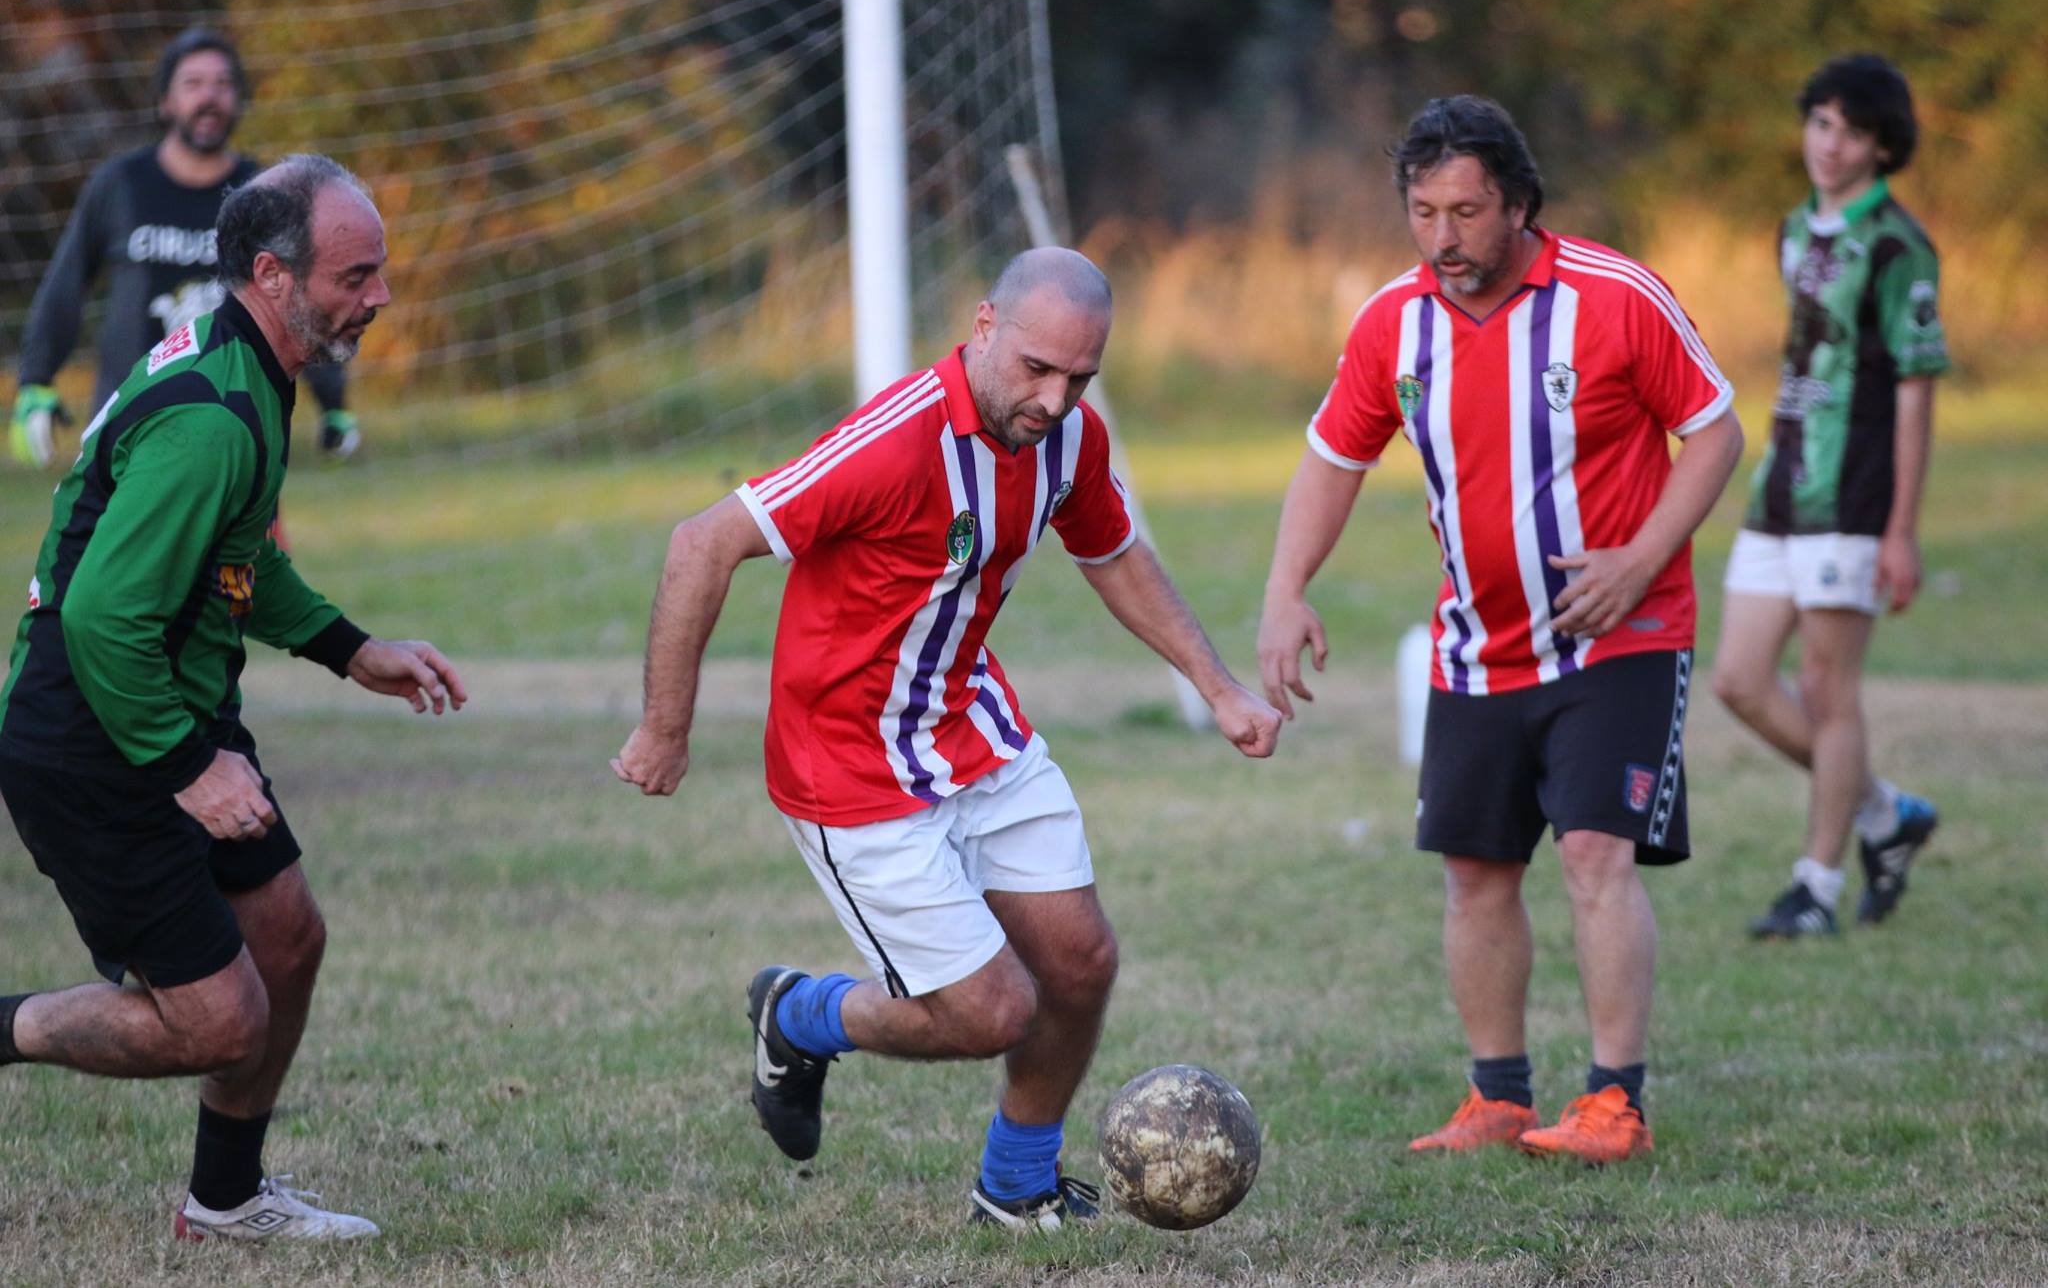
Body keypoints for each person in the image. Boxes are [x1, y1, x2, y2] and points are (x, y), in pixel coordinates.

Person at [611, 247, 1281, 1229]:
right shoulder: (894, 443)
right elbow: (701, 542)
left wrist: (1218, 688)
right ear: (981, 328)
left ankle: (1016, 1188)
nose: (1054, 399)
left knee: (1081, 963)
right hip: (847, 766)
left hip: (973, 732)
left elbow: (1114, 555)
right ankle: (798, 1015)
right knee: (989, 1013)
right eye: (1036, 369)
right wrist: (664, 729)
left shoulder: (1067, 442)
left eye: (1079, 377)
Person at [1258, 96, 1743, 1163]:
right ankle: (1498, 1099)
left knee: (1589, 854)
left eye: (1466, 211)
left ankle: (1614, 1102)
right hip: (1474, 646)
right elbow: (1332, 460)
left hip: (1618, 634)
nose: (1443, 237)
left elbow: (1712, 433)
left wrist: (1639, 558)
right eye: (1423, 211)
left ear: (1518, 204)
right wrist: (1284, 589)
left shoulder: (1614, 298)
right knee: (1474, 871)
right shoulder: (1393, 322)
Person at [0, 154, 465, 1241]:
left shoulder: (249, 365)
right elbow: (102, 616)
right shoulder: (214, 413)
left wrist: (353, 650)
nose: (380, 296)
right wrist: (184, 769)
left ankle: (225, 1201)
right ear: (274, 273)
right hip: (96, 733)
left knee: (289, 938)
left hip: (166, 705)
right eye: (357, 274)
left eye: (379, 270)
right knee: (215, 1023)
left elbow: (238, 555)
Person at [1710, 54, 1946, 939]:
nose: (1829, 144)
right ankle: (1884, 814)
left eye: (1850, 131)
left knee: (1825, 684)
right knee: (1737, 677)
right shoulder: (1791, 231)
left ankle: (1815, 884)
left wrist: (1902, 530)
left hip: (1854, 494)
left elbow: (1917, 390)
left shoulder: (1898, 246)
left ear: (1882, 146)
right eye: (1820, 123)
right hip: (1782, 486)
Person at [9, 27, 360, 469]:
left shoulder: (265, 193)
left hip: (237, 430)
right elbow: (66, 284)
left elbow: (298, 302)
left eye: (222, 84)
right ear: (165, 101)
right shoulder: (119, 185)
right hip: (127, 428)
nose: (208, 97)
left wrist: (334, 402)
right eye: (193, 84)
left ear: (238, 101)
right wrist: (35, 382)